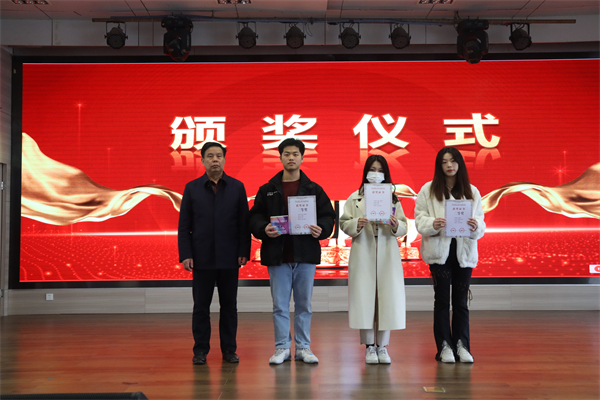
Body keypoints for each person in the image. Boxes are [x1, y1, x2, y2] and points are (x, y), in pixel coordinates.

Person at [249, 138, 336, 365]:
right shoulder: (267, 189)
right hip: (277, 256)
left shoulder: (314, 189)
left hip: (305, 255)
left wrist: (322, 228)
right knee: (279, 305)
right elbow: (254, 216)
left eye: (295, 154)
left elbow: (328, 217)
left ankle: (303, 347)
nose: (291, 158)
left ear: (302, 157)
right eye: (286, 153)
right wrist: (263, 228)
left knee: (304, 305)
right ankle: (282, 348)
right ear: (280, 157)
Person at [178, 141, 251, 365]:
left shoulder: (237, 187)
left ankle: (229, 349)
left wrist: (243, 251)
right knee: (201, 307)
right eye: (210, 156)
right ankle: (200, 350)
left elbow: (243, 223)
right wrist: (186, 254)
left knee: (229, 306)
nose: (215, 160)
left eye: (219, 156)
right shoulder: (192, 188)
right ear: (202, 161)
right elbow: (184, 226)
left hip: (230, 257)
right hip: (201, 258)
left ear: (225, 160)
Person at [414, 146, 485, 363]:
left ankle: (462, 345)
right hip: (439, 253)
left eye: (453, 161)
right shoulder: (428, 190)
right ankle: (444, 346)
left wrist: (476, 226)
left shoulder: (472, 191)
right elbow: (419, 220)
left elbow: (481, 222)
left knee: (461, 302)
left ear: (460, 163)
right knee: (442, 301)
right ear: (439, 166)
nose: (449, 165)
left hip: (463, 253)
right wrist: (432, 223)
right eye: (444, 162)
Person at [340, 155, 408, 365]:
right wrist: (357, 223)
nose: (376, 174)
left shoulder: (393, 199)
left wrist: (396, 225)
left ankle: (383, 346)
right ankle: (369, 346)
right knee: (365, 298)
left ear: (385, 174)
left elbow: (404, 226)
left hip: (387, 251)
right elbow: (343, 223)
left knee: (387, 298)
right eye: (373, 170)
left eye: (380, 170)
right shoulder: (355, 198)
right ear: (366, 173)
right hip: (364, 250)